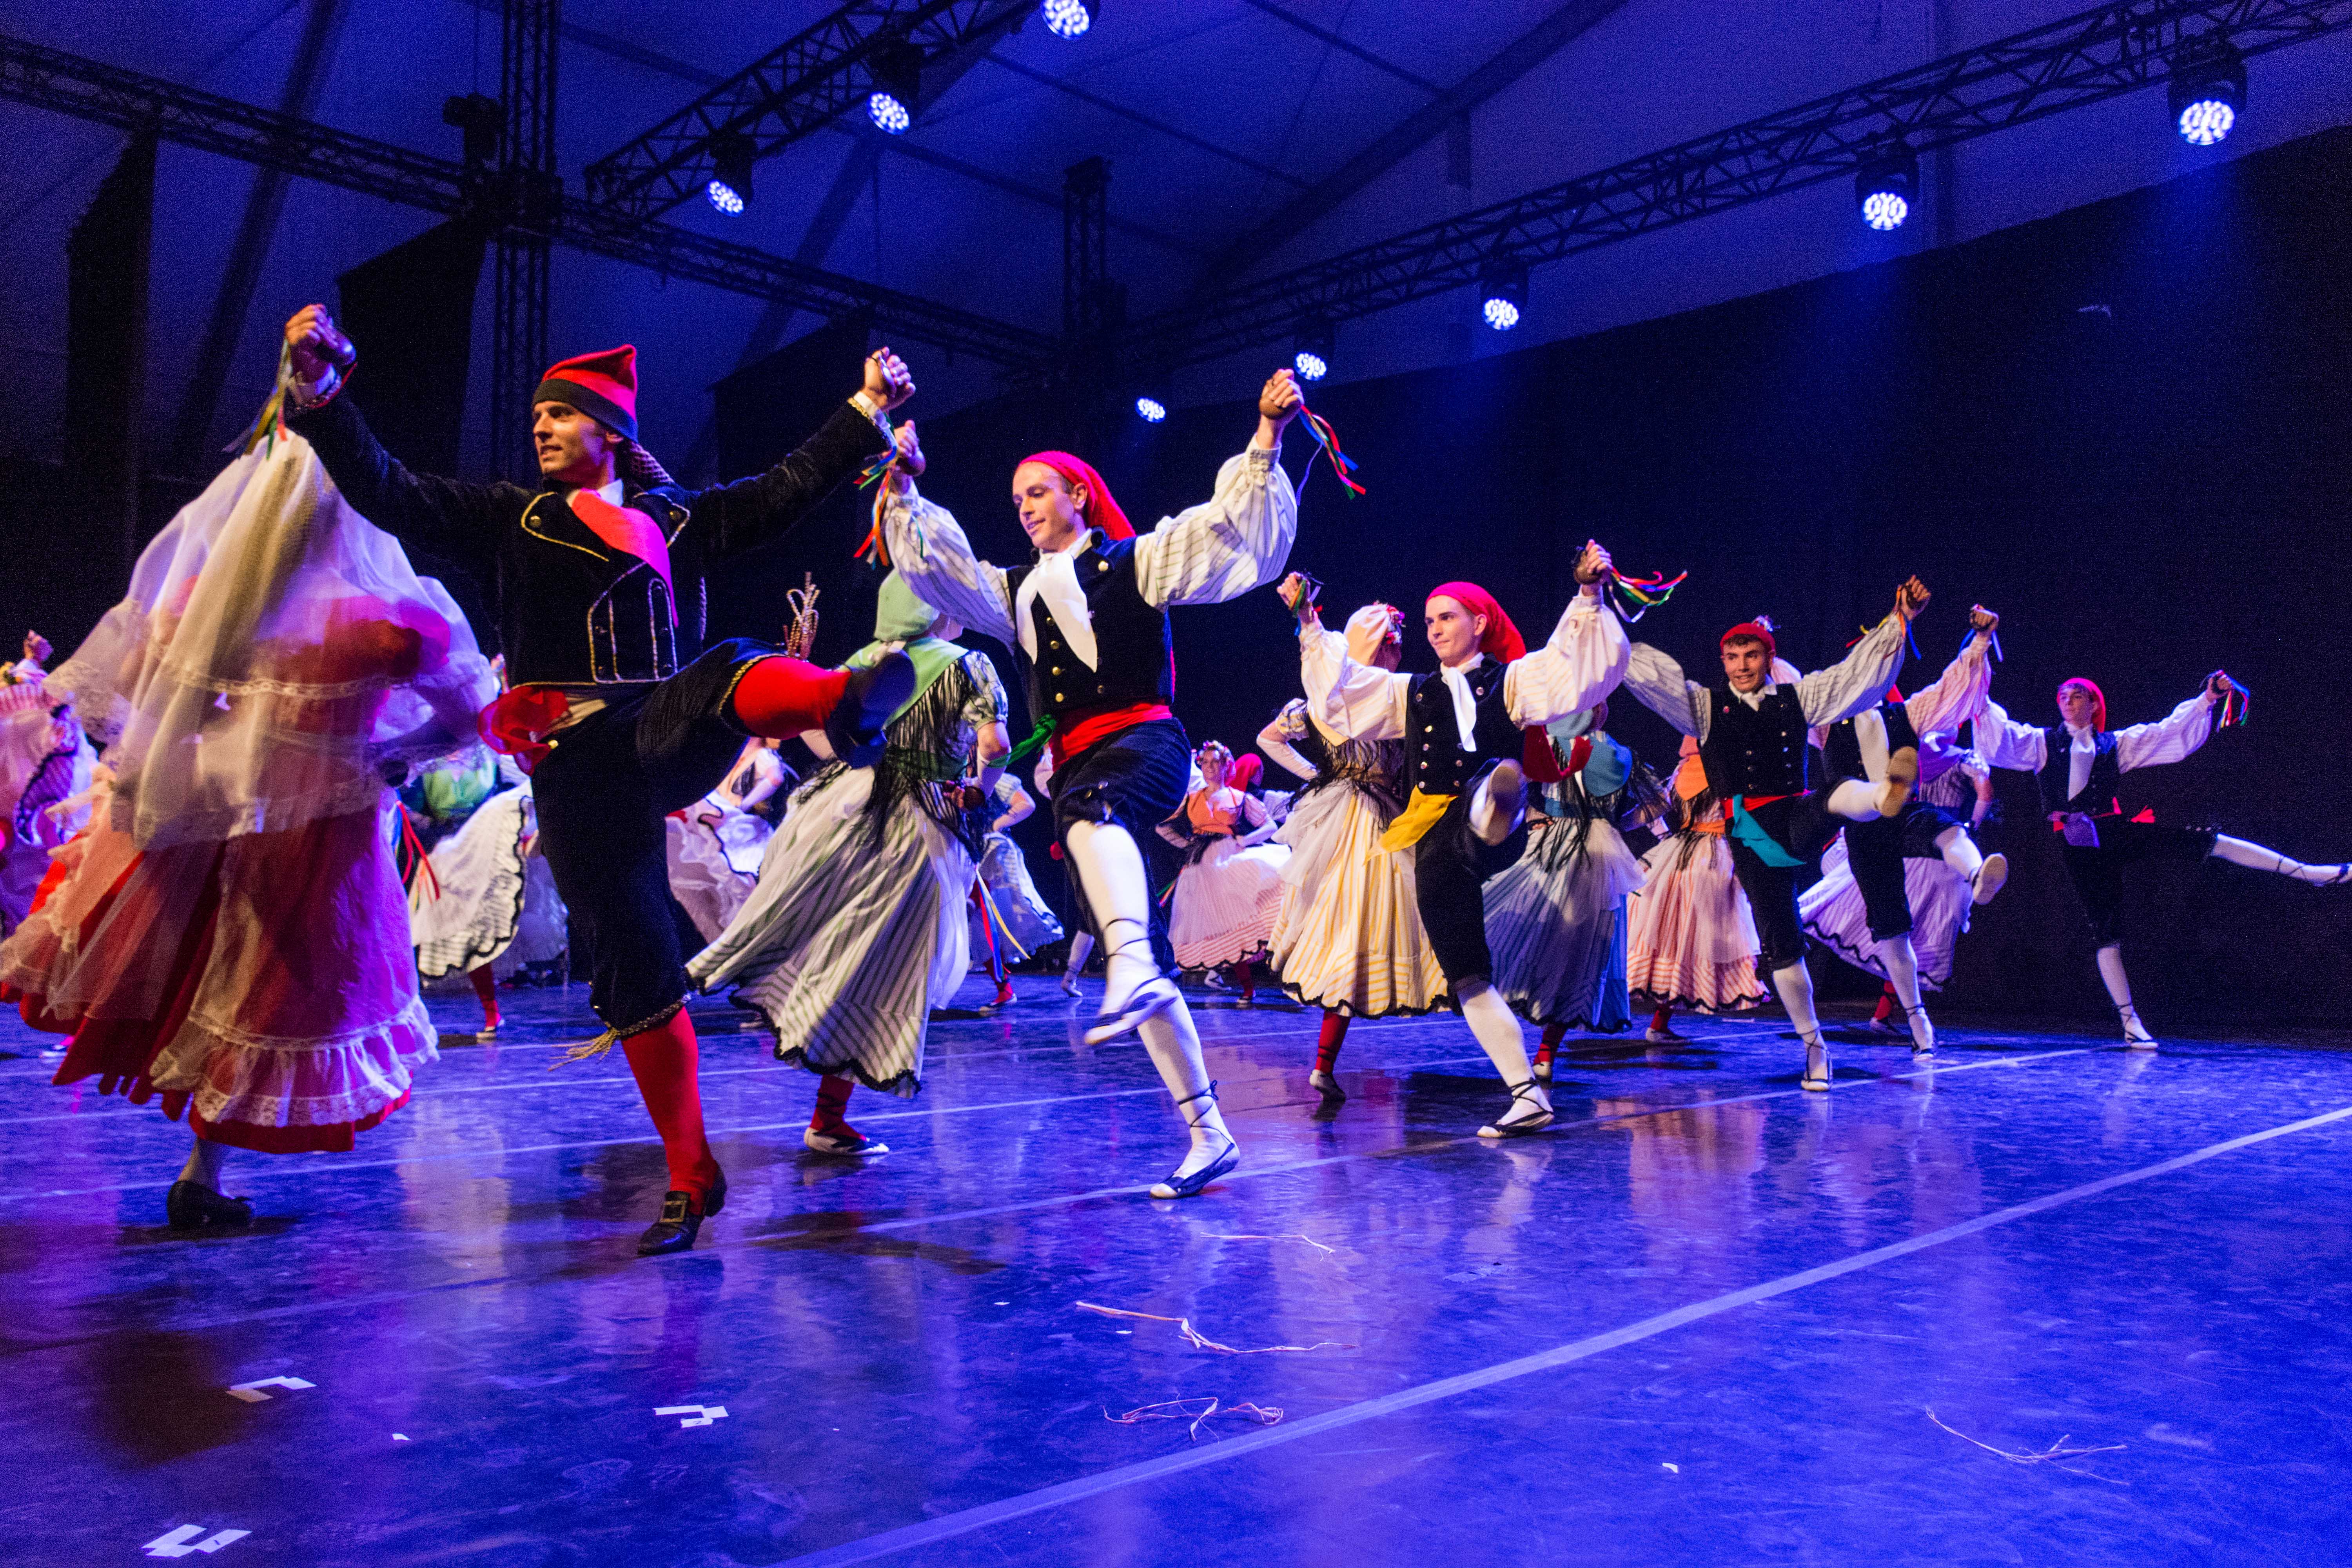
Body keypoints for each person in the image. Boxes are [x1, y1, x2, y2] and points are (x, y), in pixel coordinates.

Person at [280, 303, 915, 1255]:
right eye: (537, 415)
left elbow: (789, 487)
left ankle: (836, 697)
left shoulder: (679, 515)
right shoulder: (512, 518)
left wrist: (865, 407)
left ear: (611, 430)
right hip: (578, 766)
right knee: (636, 968)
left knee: (724, 668)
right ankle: (692, 1172)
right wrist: (323, 394)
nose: (539, 426)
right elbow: (393, 491)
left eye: (560, 414)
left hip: (664, 729)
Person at [0, 427, 495, 1229]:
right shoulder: (389, 620)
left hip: (218, 806)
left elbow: (140, 693)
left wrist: (207, 739)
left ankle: (204, 1173)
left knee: (210, 974)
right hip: (322, 824)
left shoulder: (208, 601)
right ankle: (203, 1174)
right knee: (267, 991)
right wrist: (387, 756)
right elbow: (471, 716)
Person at [877, 371, 1302, 1199]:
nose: (1026, 505)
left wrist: (1264, 438)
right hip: (1077, 760)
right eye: (1016, 496)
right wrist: (903, 485)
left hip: (1144, 740)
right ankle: (1208, 1129)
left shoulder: (1135, 560)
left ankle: (1135, 962)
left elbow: (1230, 535)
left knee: (1089, 814)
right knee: (1106, 888)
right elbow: (941, 564)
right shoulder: (1014, 589)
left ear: (1080, 493)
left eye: (1040, 491)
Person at [1302, 553, 1631, 1136]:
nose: (1434, 630)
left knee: (1485, 801)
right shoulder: (1411, 691)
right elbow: (1341, 697)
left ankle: (1495, 799)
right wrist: (1307, 619)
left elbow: (1577, 670)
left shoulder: (1512, 680)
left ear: (1479, 623)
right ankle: (1526, 1095)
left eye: (1446, 618)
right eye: (1429, 621)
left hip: (1487, 838)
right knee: (1467, 974)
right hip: (1431, 836)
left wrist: (1587, 594)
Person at [689, 573, 1008, 1155]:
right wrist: (981, 791)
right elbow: (996, 747)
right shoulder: (970, 666)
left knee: (814, 935)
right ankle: (828, 1118)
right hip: (917, 826)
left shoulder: (863, 661)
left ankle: (705, 981)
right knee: (884, 967)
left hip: (835, 811)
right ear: (938, 609)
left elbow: (818, 737)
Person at [1619, 584, 1932, 1091]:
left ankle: (1882, 797)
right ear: (1723, 661)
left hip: (1795, 815)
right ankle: (1815, 1048)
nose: (1742, 666)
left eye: (1752, 655)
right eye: (1733, 657)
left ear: (1770, 658)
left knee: (1833, 793)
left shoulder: (1797, 698)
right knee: (1782, 943)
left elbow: (1853, 678)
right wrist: (1598, 616)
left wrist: (1899, 620)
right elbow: (1649, 676)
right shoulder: (1704, 707)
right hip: (1749, 834)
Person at [1975, 670, 2346, 1049]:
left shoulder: (2115, 745)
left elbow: (2167, 733)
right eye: (2063, 696)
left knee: (2203, 841)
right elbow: (1998, 736)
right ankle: (2129, 1021)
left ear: (2094, 704)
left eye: (2077, 696)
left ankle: (2309, 872)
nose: (2068, 702)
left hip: (2115, 832)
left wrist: (2207, 699)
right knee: (2106, 930)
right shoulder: (2041, 744)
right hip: (2078, 844)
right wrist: (1978, 666)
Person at [1265, 592, 1445, 1100]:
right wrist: (1318, 775)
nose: (1400, 652)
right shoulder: (1358, 696)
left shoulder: (1383, 695)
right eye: (1395, 643)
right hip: (1360, 820)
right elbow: (1270, 738)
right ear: (1380, 645)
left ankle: (1324, 1065)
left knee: (1358, 925)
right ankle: (1323, 1064)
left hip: (1377, 812)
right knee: (1359, 925)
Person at [1802, 608, 2004, 1056]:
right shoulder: (1825, 723)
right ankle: (1916, 1016)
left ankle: (1977, 877)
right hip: (1863, 830)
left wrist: (1979, 640)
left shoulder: (1903, 714)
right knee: (1892, 929)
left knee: (1944, 826)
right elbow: (1789, 690)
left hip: (1903, 817)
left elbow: (1951, 687)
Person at [1485, 704, 1662, 1080]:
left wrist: (1537, 817)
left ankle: (1500, 1013)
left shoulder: (1549, 744)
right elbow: (1656, 804)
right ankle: (1545, 1053)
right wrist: (1614, 823)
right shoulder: (1618, 754)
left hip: (1551, 839)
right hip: (1601, 851)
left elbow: (1517, 791)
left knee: (1522, 924)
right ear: (1601, 712)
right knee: (1583, 951)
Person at [1624, 735, 1770, 1039]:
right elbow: (1743, 818)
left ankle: (1659, 1025)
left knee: (1676, 940)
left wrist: (1622, 827)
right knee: (1700, 940)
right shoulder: (1726, 772)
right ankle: (1658, 1024)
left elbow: (1651, 811)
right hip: (1714, 857)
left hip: (1676, 856)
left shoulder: (1683, 770)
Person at [1161, 740, 1289, 1002]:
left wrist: (1246, 840)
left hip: (1230, 860)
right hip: (1201, 868)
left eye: (1215, 762)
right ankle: (1243, 986)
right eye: (1206, 762)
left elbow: (1269, 826)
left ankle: (1256, 985)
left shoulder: (1238, 797)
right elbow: (1163, 827)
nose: (1209, 767)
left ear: (1226, 766)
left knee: (1237, 922)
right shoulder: (1191, 800)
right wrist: (1187, 844)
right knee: (1219, 927)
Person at [968, 771, 1064, 1008]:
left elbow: (1026, 804)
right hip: (968, 853)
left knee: (977, 913)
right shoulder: (956, 779)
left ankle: (1004, 988)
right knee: (978, 928)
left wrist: (996, 825)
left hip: (993, 855)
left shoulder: (992, 776)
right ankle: (1004, 989)